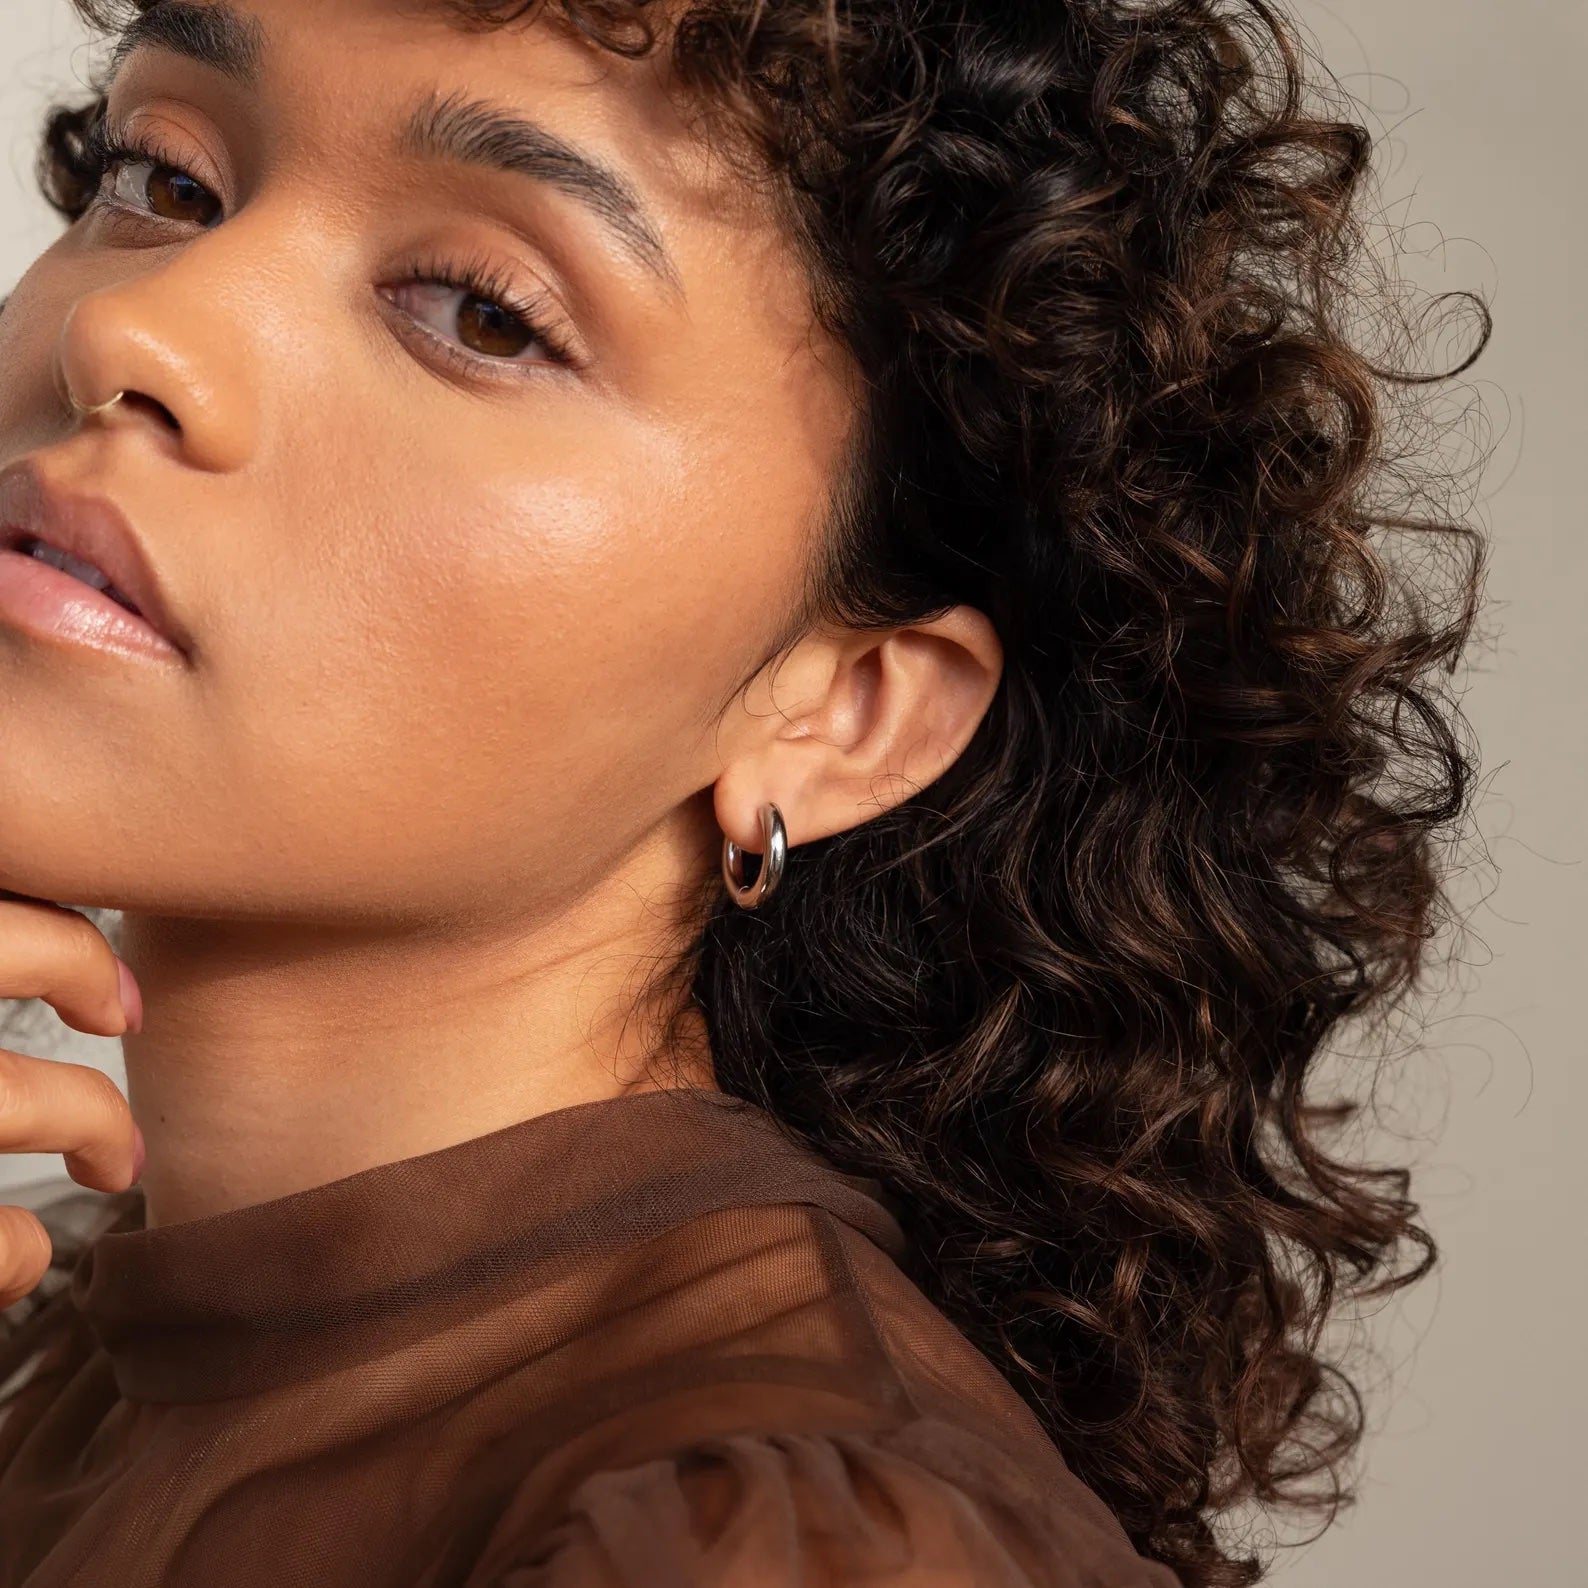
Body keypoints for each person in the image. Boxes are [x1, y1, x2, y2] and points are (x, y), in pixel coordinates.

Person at [0, 0, 1489, 1584]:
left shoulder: (760, 1538)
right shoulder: (89, 1340)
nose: (134, 332)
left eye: (484, 314)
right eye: (161, 178)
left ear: (842, 715)